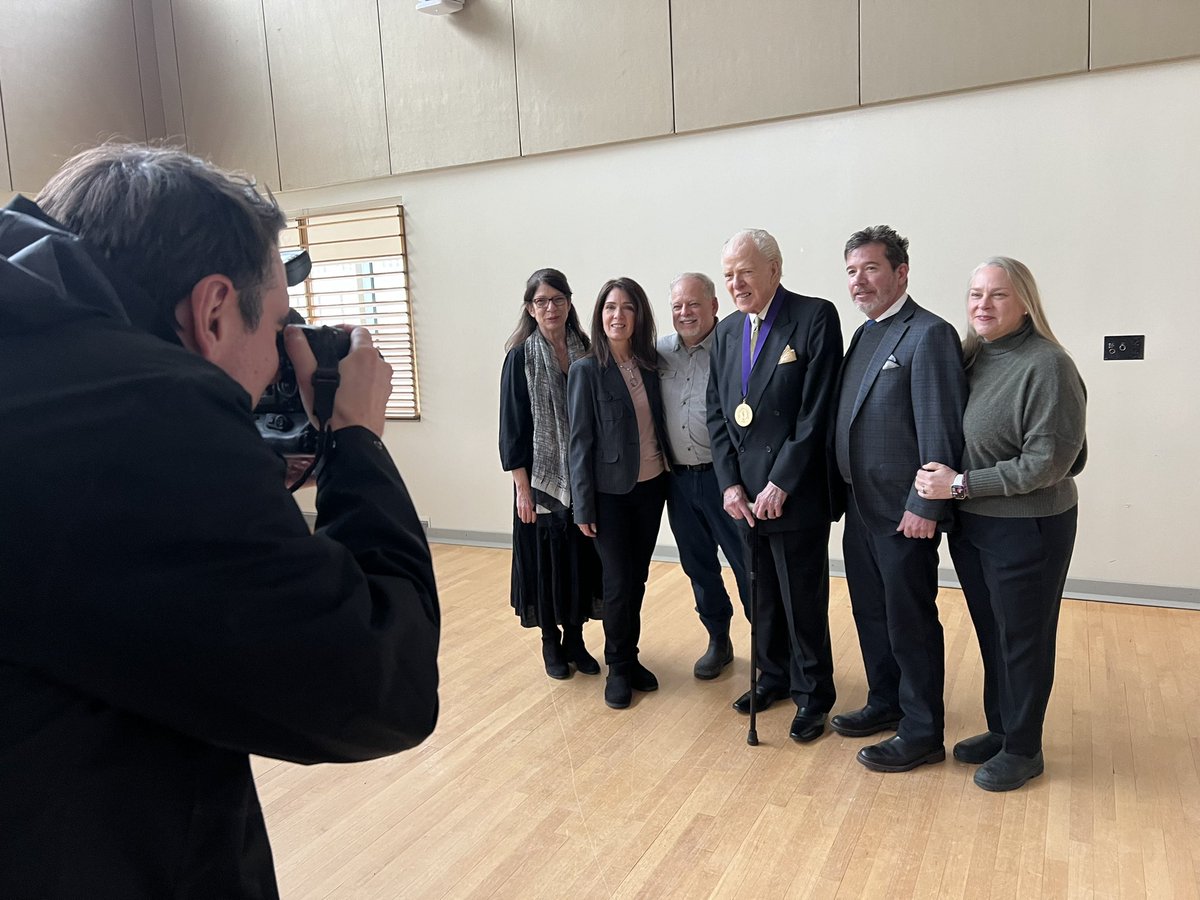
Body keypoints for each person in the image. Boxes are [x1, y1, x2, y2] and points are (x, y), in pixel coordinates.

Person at [0, 144, 440, 898]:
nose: (279, 360)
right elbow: (378, 682)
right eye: (275, 328)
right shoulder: (145, 411)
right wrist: (357, 441)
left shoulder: (42, 365)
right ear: (210, 311)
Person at [916, 256, 1086, 792]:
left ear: (1025, 302)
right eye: (974, 295)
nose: (982, 305)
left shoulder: (1047, 365)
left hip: (1029, 526)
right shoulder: (973, 358)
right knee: (994, 633)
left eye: (998, 295)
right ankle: (1002, 727)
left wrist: (961, 485)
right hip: (976, 527)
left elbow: (1050, 463)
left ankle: (1024, 748)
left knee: (1024, 639)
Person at [829, 226, 967, 772]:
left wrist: (926, 507)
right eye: (851, 271)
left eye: (870, 269)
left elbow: (940, 432)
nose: (859, 282)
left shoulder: (928, 334)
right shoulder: (865, 335)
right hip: (860, 509)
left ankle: (922, 730)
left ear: (901, 272)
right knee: (871, 614)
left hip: (902, 513)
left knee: (909, 620)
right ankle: (885, 701)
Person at [707, 229, 843, 743]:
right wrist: (730, 486)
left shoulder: (814, 317)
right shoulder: (725, 334)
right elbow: (718, 416)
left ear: (774, 269)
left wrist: (781, 483)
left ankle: (813, 695)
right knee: (760, 593)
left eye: (744, 271)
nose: (736, 283)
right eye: (728, 275)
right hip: (744, 497)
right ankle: (774, 677)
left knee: (801, 597)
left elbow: (814, 416)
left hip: (794, 492)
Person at [568, 277, 670, 710]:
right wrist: (583, 504)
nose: (618, 316)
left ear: (638, 315)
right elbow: (580, 442)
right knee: (617, 581)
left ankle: (631, 656)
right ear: (599, 315)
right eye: (610, 307)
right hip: (609, 495)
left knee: (639, 578)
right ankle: (618, 667)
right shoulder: (587, 369)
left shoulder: (650, 365)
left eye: (627, 308)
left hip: (651, 488)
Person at [499, 268, 603, 679]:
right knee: (545, 566)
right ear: (530, 308)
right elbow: (512, 429)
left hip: (583, 480)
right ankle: (550, 642)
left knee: (579, 561)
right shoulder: (520, 357)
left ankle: (575, 639)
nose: (551, 308)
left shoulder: (588, 351)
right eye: (541, 301)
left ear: (569, 302)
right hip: (538, 484)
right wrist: (523, 489)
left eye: (558, 299)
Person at [657, 272, 752, 679]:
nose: (685, 313)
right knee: (698, 565)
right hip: (678, 481)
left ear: (714, 306)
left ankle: (769, 645)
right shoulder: (658, 353)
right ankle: (718, 639)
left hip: (726, 480)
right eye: (678, 306)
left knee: (747, 563)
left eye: (694, 304)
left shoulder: (736, 348)